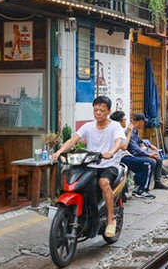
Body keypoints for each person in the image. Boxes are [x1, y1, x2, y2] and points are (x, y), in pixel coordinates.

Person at [52, 96, 125, 236]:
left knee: (103, 182)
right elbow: (74, 140)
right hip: (91, 165)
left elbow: (118, 141)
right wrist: (60, 151)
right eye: (96, 109)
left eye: (102, 110)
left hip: (109, 165)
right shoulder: (88, 126)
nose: (98, 113)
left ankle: (111, 220)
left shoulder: (115, 126)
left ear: (108, 111)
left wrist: (111, 152)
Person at [112, 110, 156, 199]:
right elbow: (124, 147)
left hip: (127, 155)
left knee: (153, 161)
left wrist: (149, 146)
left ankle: (141, 186)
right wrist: (128, 133)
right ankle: (141, 190)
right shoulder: (120, 132)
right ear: (119, 121)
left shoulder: (123, 131)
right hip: (122, 158)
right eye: (124, 119)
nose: (126, 121)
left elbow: (138, 141)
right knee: (149, 163)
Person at [129, 113, 168, 190]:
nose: (143, 124)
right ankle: (144, 186)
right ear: (141, 121)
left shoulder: (135, 131)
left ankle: (157, 182)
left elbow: (140, 141)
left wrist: (150, 146)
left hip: (139, 153)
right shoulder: (130, 132)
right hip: (133, 155)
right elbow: (136, 149)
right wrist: (149, 155)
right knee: (152, 161)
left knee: (159, 160)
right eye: (143, 122)